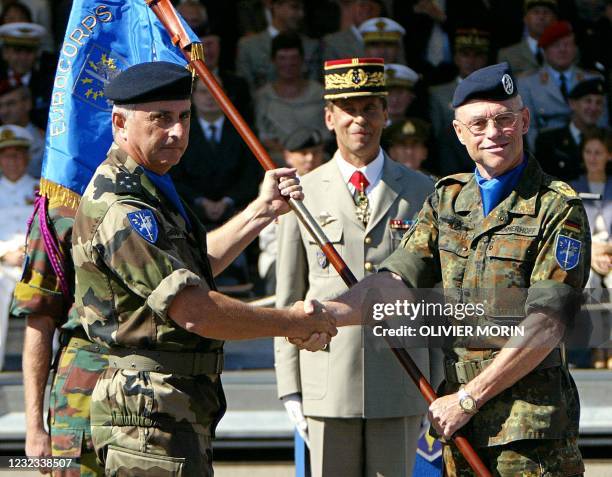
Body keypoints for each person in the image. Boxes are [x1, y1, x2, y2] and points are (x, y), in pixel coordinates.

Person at [294, 62, 591, 476]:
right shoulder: (446, 200)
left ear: (524, 121)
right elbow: (395, 279)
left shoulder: (557, 207)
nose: (493, 133)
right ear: (458, 132)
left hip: (529, 431)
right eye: (479, 123)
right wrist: (331, 315)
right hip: (462, 430)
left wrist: (469, 398)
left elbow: (547, 323)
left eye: (504, 119)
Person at [71, 61, 336, 476]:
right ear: (120, 123)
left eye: (184, 116)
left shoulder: (148, 189)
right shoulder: (123, 209)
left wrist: (260, 212)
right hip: (149, 418)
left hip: (170, 408)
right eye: (160, 118)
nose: (177, 131)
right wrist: (291, 322)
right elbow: (195, 311)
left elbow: (193, 267)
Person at [274, 57, 435, 477]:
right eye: (348, 108)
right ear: (330, 117)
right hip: (327, 377)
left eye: (368, 108)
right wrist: (290, 386)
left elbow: (434, 293)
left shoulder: (424, 191)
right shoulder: (300, 193)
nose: (358, 119)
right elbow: (289, 294)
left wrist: (437, 382)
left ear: (386, 113)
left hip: (402, 374)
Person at [258, 127, 326, 296]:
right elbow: (268, 238)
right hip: (280, 255)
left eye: (315, 152)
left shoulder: (329, 183)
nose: (310, 158)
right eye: (303, 153)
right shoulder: (275, 187)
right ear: (288, 156)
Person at [519, 20, 606, 150]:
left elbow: (602, 124)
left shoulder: (593, 78)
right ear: (544, 51)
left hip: (589, 149)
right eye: (556, 45)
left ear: (576, 49)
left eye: (567, 45)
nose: (562, 50)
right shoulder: (527, 82)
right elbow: (529, 129)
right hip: (549, 150)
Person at [569, 127, 612, 369]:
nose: (593, 157)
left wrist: (606, 253)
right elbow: (571, 232)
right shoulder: (573, 187)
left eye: (598, 152)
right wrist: (593, 254)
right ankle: (599, 346)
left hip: (610, 255)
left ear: (608, 155)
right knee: (589, 283)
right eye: (588, 151)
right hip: (587, 257)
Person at [254, 32, 327, 164]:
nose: (288, 64)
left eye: (294, 58)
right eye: (282, 58)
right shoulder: (263, 97)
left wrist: (307, 155)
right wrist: (293, 156)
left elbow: (327, 134)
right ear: (273, 60)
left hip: (316, 159)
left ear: (302, 59)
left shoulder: (319, 93)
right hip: (278, 163)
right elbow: (263, 136)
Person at [429, 28, 490, 176]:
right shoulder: (438, 93)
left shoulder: (495, 92)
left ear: (485, 59)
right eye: (465, 55)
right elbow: (437, 137)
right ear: (456, 58)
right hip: (452, 165)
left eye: (478, 55)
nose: (471, 61)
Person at [0, 124, 36, 371]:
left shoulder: (40, 189)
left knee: (47, 290)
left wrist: (31, 253)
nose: (12, 161)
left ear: (27, 156)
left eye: (17, 154)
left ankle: (48, 359)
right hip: (2, 263)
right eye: (6, 155)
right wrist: (4, 254)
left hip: (34, 261)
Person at [236, 0, 320, 92]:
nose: (301, 14)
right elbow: (245, 91)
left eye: (302, 9)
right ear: (276, 7)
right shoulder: (249, 46)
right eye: (294, 7)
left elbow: (314, 90)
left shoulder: (311, 46)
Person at [537, 77, 607, 181]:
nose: (593, 108)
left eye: (599, 103)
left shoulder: (607, 140)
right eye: (588, 101)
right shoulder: (548, 141)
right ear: (572, 104)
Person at [497, 0, 558, 75]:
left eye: (546, 12)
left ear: (555, 20)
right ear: (525, 19)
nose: (541, 17)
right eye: (536, 12)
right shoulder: (507, 55)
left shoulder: (566, 53)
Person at [0, 82, 44, 176]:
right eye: (0, 106)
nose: (4, 111)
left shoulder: (45, 140)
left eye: (10, 104)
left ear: (27, 104)